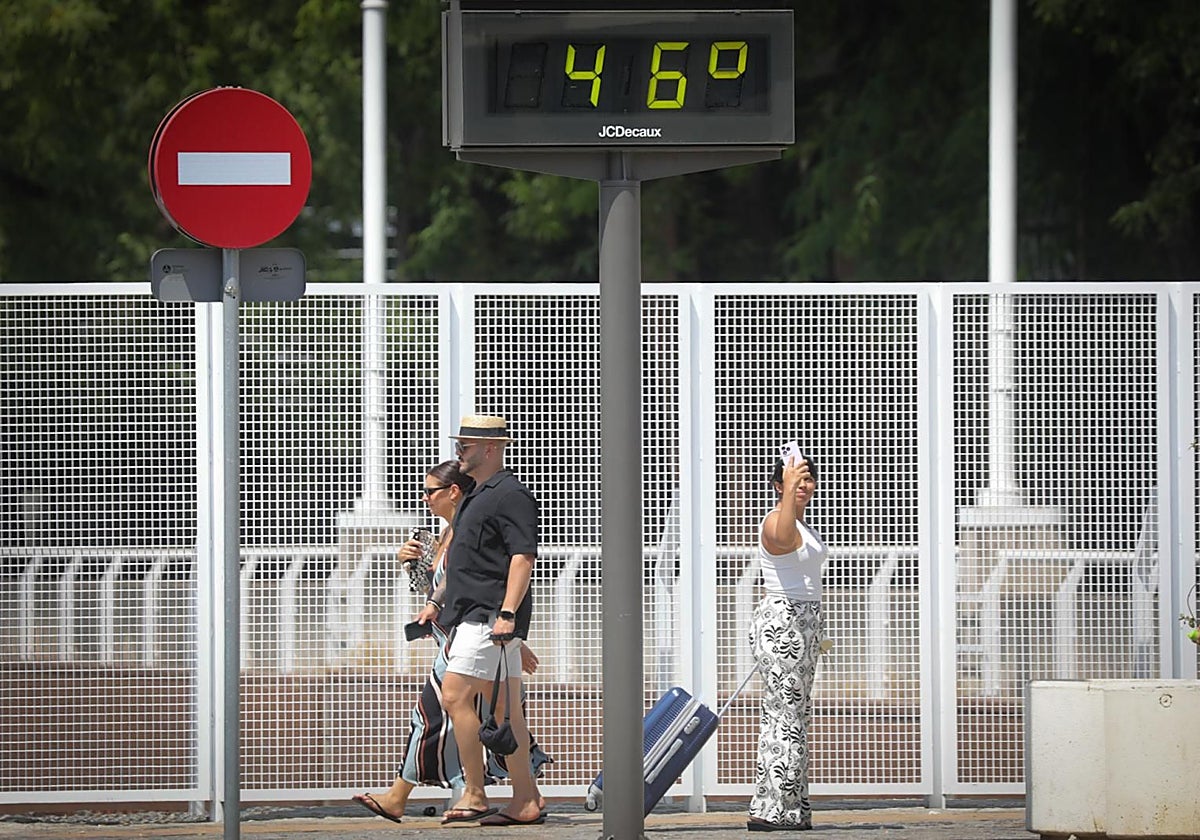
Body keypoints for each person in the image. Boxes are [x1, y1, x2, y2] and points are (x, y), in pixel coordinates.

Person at [351, 459, 551, 824]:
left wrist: (511, 630)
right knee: (497, 712)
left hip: (470, 634)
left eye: (430, 491)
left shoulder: (474, 527)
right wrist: (410, 565)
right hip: (457, 635)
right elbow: (438, 587)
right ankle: (524, 794)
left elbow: (499, 575)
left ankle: (420, 795)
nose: (424, 498)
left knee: (435, 713)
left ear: (453, 492)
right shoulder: (442, 534)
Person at [412, 414, 544, 827]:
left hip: (487, 617)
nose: (458, 451)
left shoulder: (510, 495)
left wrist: (507, 615)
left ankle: (474, 791)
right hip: (472, 614)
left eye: (465, 446)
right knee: (507, 710)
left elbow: (522, 557)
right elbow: (466, 561)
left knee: (453, 695)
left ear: (490, 449)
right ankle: (526, 798)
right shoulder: (475, 495)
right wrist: (437, 601)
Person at [747, 443, 827, 832]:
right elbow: (779, 539)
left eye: (810, 478)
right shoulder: (776, 522)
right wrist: (789, 491)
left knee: (795, 715)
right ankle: (771, 808)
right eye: (796, 478)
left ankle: (792, 806)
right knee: (786, 716)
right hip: (783, 624)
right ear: (778, 484)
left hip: (805, 625)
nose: (804, 484)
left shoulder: (805, 526)